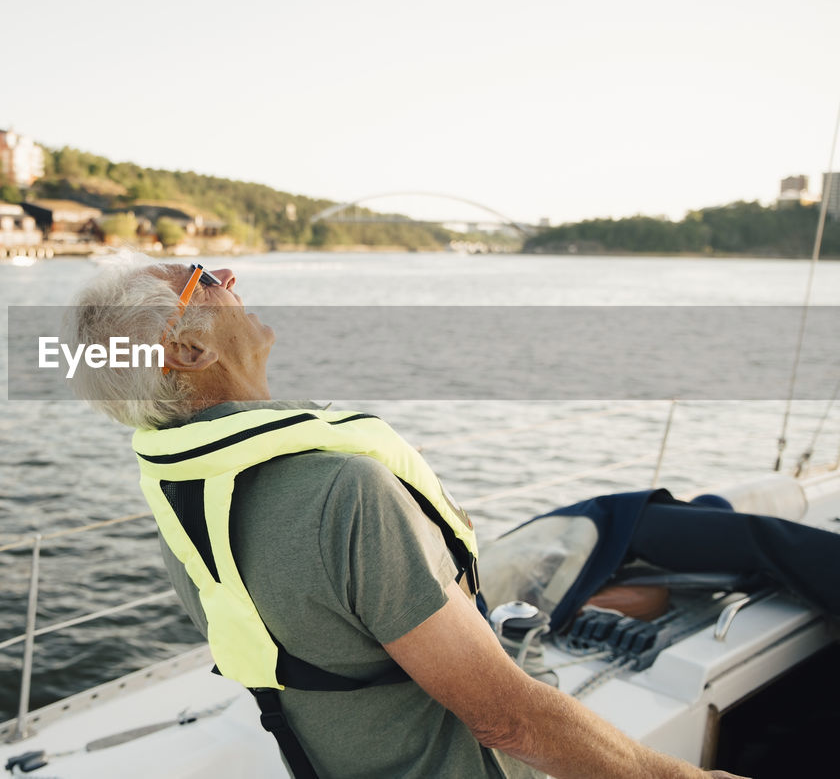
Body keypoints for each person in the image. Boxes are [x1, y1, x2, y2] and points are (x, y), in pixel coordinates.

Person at [69, 261, 745, 779]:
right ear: (188, 351)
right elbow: (508, 719)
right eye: (207, 279)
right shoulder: (345, 490)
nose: (232, 277)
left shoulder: (185, 498)